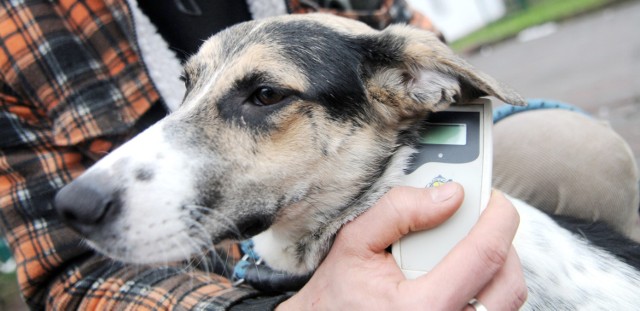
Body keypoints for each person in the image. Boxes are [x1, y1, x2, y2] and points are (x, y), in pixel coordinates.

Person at [0, 0, 634, 309]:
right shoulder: (21, 22)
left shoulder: (397, 81)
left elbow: (409, 49)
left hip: (377, 145)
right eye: (196, 85)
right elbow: (65, 273)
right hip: (215, 281)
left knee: (571, 155)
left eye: (264, 93)